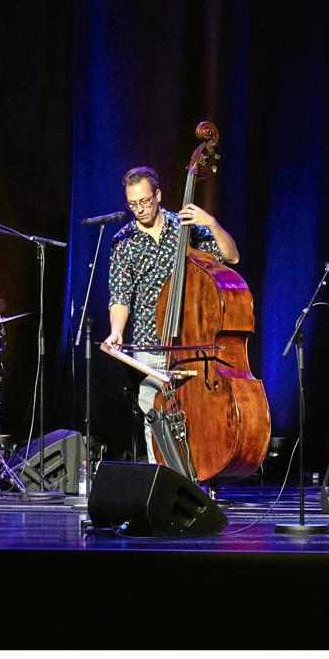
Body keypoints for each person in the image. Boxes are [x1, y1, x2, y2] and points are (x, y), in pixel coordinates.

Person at [101, 166, 240, 462]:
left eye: (145, 201)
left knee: (198, 413)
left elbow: (232, 257)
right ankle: (161, 482)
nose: (140, 209)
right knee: (155, 413)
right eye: (133, 204)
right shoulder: (122, 242)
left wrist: (212, 223)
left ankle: (200, 478)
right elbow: (120, 296)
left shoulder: (184, 228)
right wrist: (116, 331)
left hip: (192, 340)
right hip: (150, 344)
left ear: (158, 195)